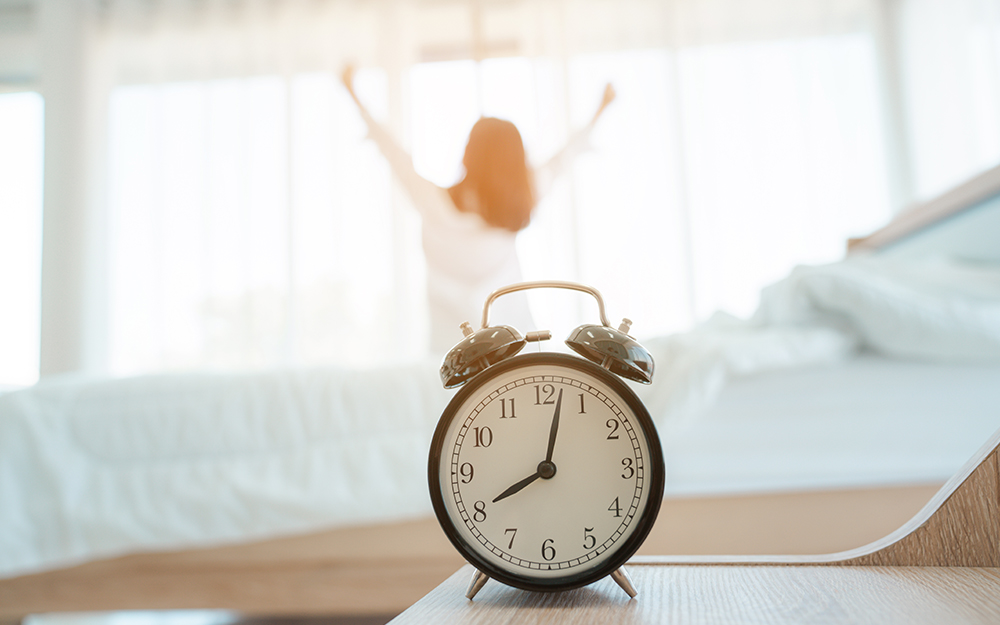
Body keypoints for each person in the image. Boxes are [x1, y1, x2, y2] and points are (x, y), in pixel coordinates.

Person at [341, 65, 616, 354]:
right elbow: (563, 158)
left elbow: (393, 153)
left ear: (469, 152)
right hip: (509, 347)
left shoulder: (434, 204)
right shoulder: (523, 196)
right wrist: (601, 110)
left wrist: (353, 93)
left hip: (460, 350)